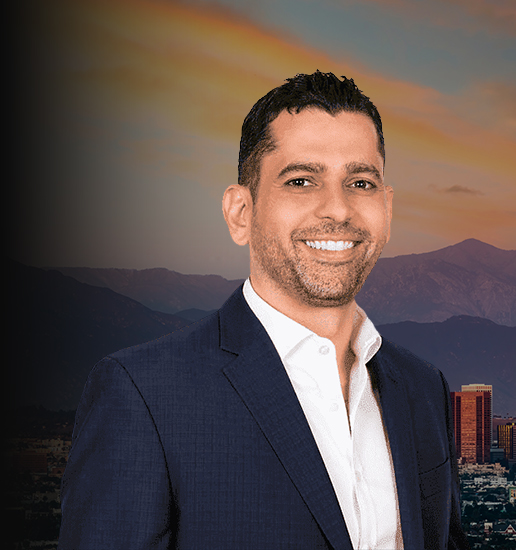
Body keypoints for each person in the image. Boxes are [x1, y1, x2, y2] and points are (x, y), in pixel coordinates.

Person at [60, 71, 469, 549]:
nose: (338, 209)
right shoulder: (142, 396)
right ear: (240, 213)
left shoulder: (423, 387)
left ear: (388, 210)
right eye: (301, 180)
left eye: (360, 182)